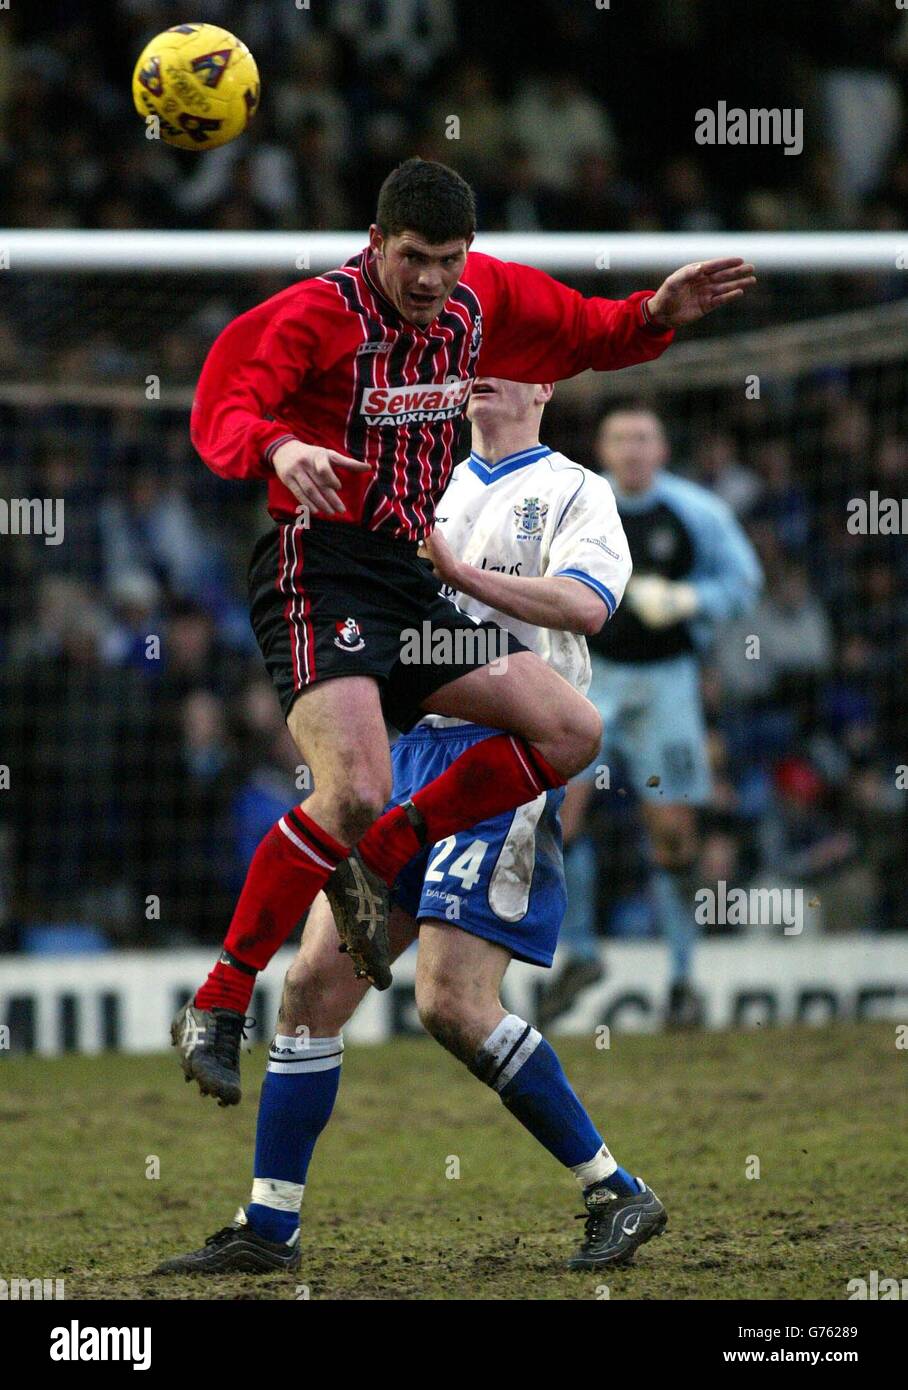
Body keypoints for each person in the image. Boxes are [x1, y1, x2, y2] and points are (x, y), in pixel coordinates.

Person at [174, 157, 756, 1104]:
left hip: (408, 579)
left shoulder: (480, 301)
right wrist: (279, 445)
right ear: (376, 243)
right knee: (353, 789)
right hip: (320, 571)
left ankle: (395, 854)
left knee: (572, 729)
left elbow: (582, 331)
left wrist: (656, 312)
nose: (432, 280)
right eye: (414, 258)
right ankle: (220, 995)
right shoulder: (319, 314)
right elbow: (223, 400)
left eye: (449, 259)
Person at [155, 375, 667, 1276]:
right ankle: (270, 1228)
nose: (479, 369)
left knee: (450, 1003)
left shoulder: (577, 491)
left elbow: (588, 607)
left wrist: (459, 576)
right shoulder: (427, 481)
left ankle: (615, 1188)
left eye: (505, 354)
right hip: (418, 748)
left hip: (508, 754)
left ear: (543, 382)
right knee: (311, 986)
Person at [557, 406, 763, 1027]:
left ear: (663, 448)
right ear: (604, 447)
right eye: (621, 439)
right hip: (592, 678)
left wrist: (688, 598)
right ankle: (581, 953)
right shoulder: (581, 504)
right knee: (557, 815)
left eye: (644, 438)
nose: (633, 449)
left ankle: (681, 981)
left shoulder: (697, 512)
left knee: (673, 835)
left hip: (669, 683)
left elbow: (744, 581)